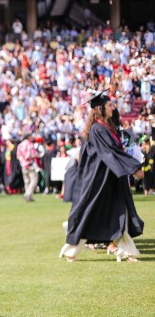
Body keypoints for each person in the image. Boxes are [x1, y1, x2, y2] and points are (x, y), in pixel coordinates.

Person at [59, 93, 145, 263]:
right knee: (90, 213)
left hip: (111, 178)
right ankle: (71, 250)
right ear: (100, 109)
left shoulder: (106, 128)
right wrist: (134, 168)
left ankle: (125, 250)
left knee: (119, 212)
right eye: (109, 105)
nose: (113, 107)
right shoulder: (98, 130)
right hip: (98, 180)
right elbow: (111, 153)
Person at [16, 132, 40, 202]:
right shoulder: (30, 144)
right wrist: (38, 154)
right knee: (34, 180)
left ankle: (29, 197)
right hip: (30, 164)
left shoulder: (20, 145)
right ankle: (28, 194)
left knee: (27, 181)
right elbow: (33, 154)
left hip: (23, 165)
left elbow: (18, 156)